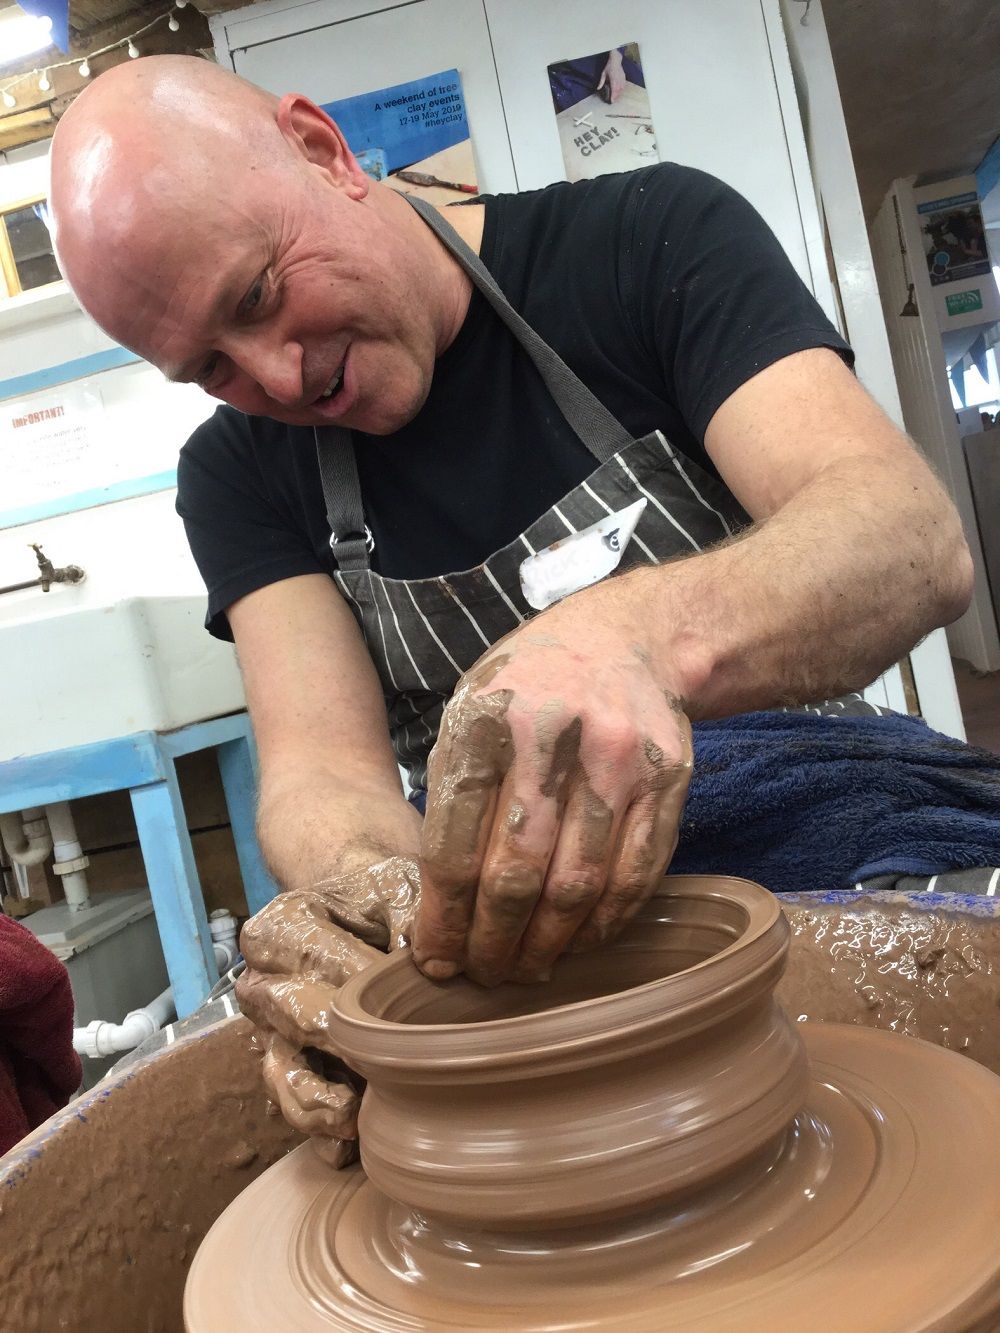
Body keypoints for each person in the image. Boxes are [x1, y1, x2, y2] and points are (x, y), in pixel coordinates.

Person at [49, 56, 976, 1161]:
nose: (278, 379)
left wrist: (629, 638)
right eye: (210, 365)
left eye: (255, 298)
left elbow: (904, 536)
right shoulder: (239, 475)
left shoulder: (648, 237)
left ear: (320, 148)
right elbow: (319, 770)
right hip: (520, 933)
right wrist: (370, 899)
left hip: (825, 847)